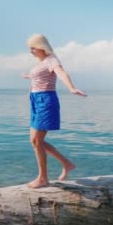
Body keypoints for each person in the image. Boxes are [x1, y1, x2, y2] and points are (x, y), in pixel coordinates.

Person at [21, 34, 86, 189]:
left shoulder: (52, 60)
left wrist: (71, 87)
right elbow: (40, 77)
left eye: (33, 48)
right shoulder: (41, 62)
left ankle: (43, 178)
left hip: (45, 100)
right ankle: (66, 164)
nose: (31, 51)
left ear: (42, 46)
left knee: (38, 141)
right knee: (35, 141)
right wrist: (29, 76)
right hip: (35, 101)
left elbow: (61, 73)